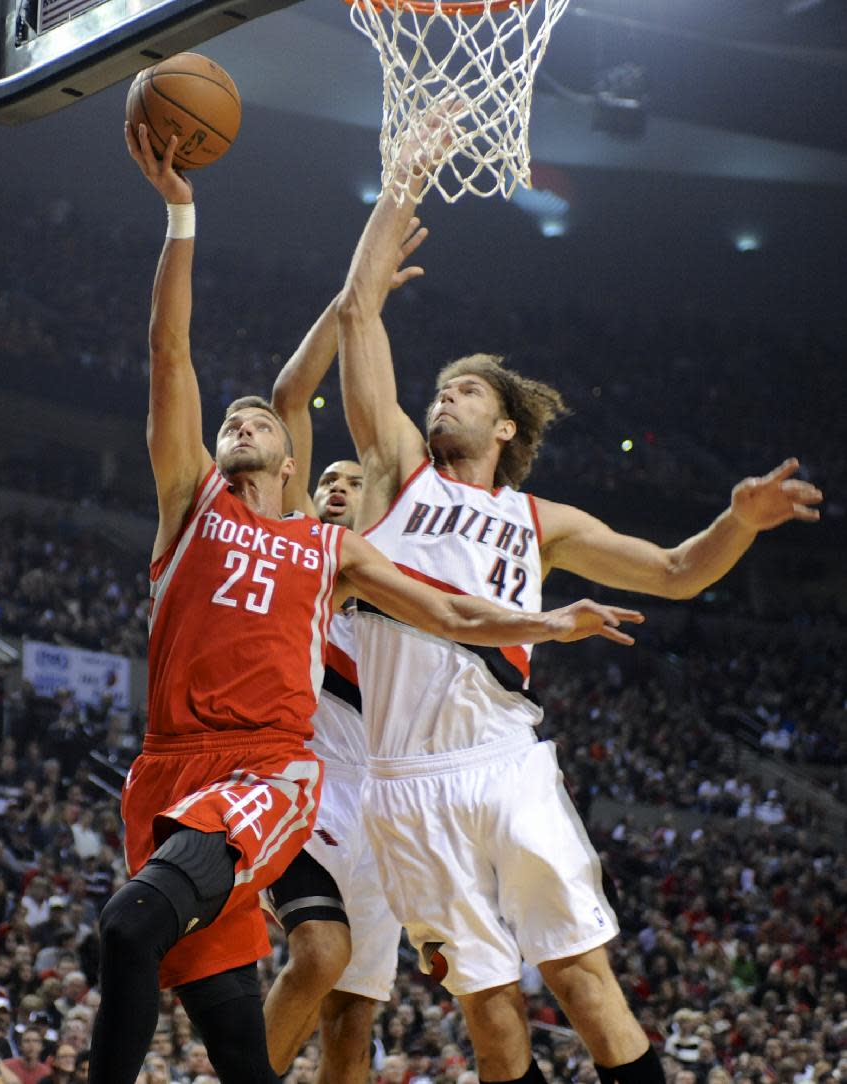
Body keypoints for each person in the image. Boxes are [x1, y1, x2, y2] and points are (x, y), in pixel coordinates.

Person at [90, 121, 644, 1084]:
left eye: (264, 422)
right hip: (184, 768)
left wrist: (548, 620)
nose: (245, 420)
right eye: (237, 420)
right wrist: (189, 219)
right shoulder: (194, 505)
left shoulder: (331, 547)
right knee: (242, 1007)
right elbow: (179, 358)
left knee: (318, 965)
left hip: (301, 778)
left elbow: (459, 614)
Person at [334, 133, 824, 1084]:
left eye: (465, 390)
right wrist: (404, 179)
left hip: (503, 758)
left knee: (581, 978)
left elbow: (678, 573)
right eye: (439, 388)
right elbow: (356, 311)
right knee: (487, 1012)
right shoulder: (392, 470)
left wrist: (738, 521)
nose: (444, 397)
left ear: (505, 424)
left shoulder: (539, 519)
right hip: (401, 778)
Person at [261, 222, 427, 1083]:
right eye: (323, 480)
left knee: (354, 1019)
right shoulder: (295, 551)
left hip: (388, 808)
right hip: (311, 785)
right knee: (316, 958)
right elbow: (292, 397)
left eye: (349, 483)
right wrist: (352, 298)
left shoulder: (405, 576)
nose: (330, 486)